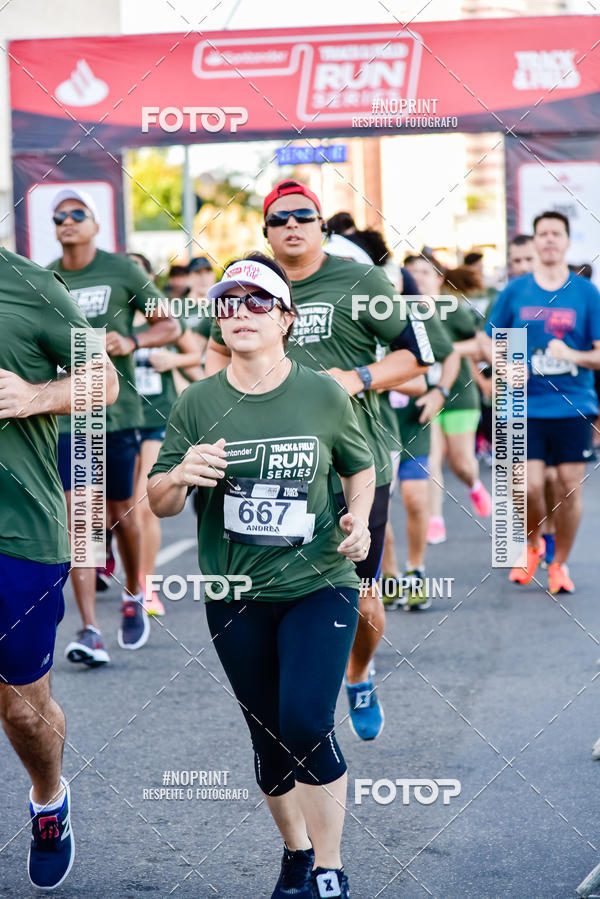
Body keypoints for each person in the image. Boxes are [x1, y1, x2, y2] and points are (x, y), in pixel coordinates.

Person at [149, 253, 374, 899]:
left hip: (319, 581)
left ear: (285, 318)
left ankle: (330, 869)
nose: (239, 312)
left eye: (256, 300)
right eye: (228, 302)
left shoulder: (323, 391)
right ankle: (296, 853)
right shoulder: (197, 401)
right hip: (235, 592)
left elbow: (360, 466)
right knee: (270, 740)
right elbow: (159, 498)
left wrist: (357, 518)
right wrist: (179, 473)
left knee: (305, 719)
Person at [205, 180, 432, 741]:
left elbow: (417, 358)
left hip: (356, 461)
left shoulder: (360, 281)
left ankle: (359, 673)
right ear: (265, 230)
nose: (292, 226)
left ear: (320, 225)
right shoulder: (248, 286)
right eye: (279, 219)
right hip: (273, 468)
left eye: (303, 216)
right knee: (282, 590)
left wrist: (354, 378)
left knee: (359, 593)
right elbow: (213, 352)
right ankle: (299, 707)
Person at [0, 247, 118, 888]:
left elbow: (106, 379)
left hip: (16, 531)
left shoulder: (28, 283)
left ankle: (48, 801)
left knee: (22, 708)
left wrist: (33, 395)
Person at [48, 188, 180, 663]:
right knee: (80, 521)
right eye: (59, 216)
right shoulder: (46, 277)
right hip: (67, 419)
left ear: (95, 224)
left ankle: (135, 591)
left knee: (125, 512)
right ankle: (88, 629)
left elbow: (171, 327)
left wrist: (132, 339)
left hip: (119, 414)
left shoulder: (123, 269)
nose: (67, 221)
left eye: (77, 214)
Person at [482, 210, 600, 593]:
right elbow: (489, 338)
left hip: (573, 404)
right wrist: (502, 365)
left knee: (568, 486)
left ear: (567, 242)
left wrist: (573, 356)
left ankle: (559, 563)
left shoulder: (585, 293)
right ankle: (533, 543)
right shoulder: (516, 291)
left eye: (556, 233)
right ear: (534, 242)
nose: (549, 239)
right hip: (523, 403)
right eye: (542, 234)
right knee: (528, 486)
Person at [128, 252, 203, 616]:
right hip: (120, 423)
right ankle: (126, 579)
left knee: (144, 508)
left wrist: (172, 360)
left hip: (158, 418)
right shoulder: (112, 321)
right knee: (121, 510)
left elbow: (199, 354)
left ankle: (148, 588)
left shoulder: (165, 319)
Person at [407, 256, 492, 544]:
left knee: (461, 463)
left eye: (424, 272)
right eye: (412, 272)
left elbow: (481, 345)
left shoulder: (452, 308)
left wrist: (446, 349)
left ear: (439, 278)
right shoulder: (402, 309)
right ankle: (435, 519)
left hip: (459, 394)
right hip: (423, 395)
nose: (418, 277)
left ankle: (475, 484)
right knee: (431, 460)